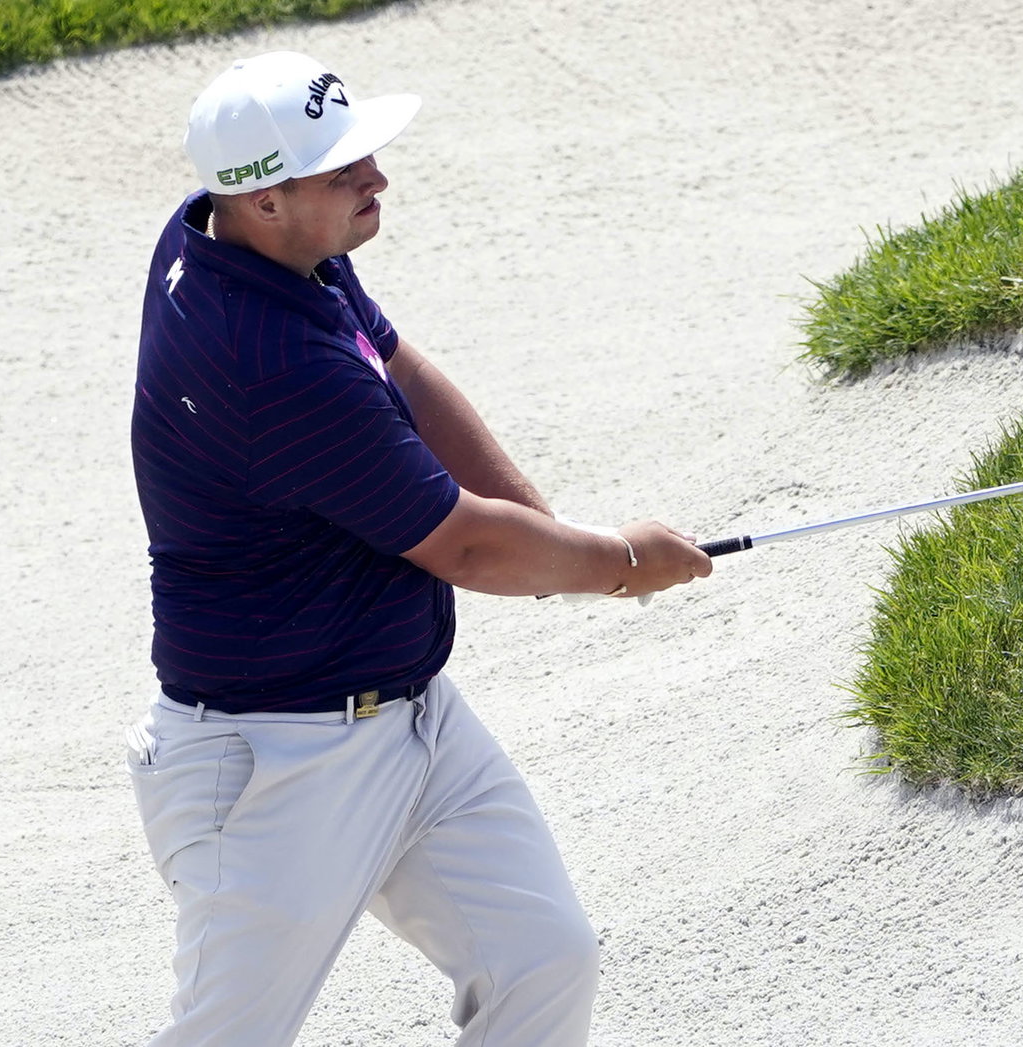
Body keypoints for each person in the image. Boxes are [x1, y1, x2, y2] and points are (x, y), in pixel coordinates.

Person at [125, 50, 712, 1047]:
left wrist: (546, 523)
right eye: (344, 170)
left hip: (414, 725)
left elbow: (397, 367)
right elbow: (468, 550)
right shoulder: (265, 364)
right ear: (264, 198)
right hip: (276, 766)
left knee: (542, 960)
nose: (377, 180)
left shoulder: (254, 242)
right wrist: (617, 564)